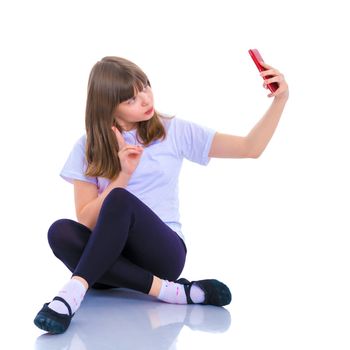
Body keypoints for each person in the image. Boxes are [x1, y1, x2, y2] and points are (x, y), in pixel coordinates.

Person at [34, 56, 289, 334]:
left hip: (161, 254)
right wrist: (122, 176)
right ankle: (174, 293)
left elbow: (250, 148)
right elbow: (86, 222)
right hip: (109, 257)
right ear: (109, 107)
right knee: (60, 232)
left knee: (120, 200)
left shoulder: (173, 130)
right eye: (131, 99)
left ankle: (72, 292)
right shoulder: (87, 146)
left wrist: (280, 100)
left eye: (144, 87)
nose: (145, 99)